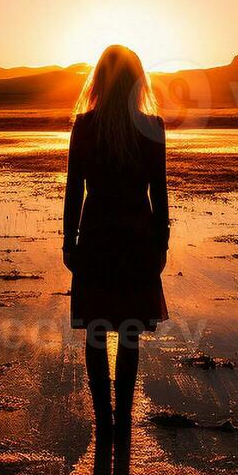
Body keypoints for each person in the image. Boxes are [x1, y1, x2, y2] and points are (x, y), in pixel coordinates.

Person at [63, 44, 169, 445]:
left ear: (101, 80)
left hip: (96, 237)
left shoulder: (84, 125)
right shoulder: (152, 126)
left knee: (95, 329)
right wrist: (162, 242)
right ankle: (121, 419)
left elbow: (75, 190)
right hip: (137, 238)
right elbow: (159, 193)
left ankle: (104, 420)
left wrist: (68, 241)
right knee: (128, 332)